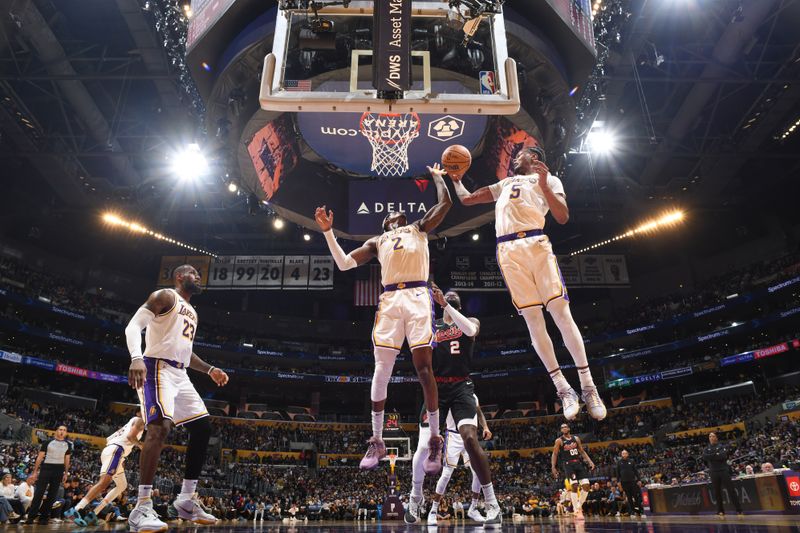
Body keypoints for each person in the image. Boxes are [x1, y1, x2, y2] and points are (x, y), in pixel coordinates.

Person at [448, 146, 606, 421]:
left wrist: (544, 186)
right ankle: (563, 389)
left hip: (536, 242)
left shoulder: (550, 179)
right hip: (508, 250)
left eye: (519, 153)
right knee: (533, 319)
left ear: (535, 157)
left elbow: (562, 216)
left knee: (560, 313)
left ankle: (588, 386)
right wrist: (455, 179)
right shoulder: (505, 183)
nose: (513, 157)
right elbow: (468, 200)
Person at [314, 163, 452, 473]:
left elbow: (445, 204)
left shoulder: (419, 228)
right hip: (390, 299)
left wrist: (439, 178)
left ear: (403, 219)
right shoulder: (377, 241)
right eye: (388, 217)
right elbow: (345, 264)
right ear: (385, 223)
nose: (393, 217)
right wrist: (328, 233)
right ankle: (376, 440)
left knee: (425, 368)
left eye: (397, 216)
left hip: (417, 296)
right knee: (381, 369)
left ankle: (434, 440)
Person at [125, 264, 230, 531]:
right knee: (159, 428)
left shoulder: (193, 311)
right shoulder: (165, 296)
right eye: (194, 274)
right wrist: (136, 358)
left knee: (203, 427)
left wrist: (209, 369)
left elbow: (185, 351)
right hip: (156, 367)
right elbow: (133, 326)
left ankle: (185, 500)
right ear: (180, 277)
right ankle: (142, 507)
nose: (198, 277)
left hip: (180, 374)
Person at [405, 288, 501, 526]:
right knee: (424, 446)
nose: (450, 296)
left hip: (462, 386)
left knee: (470, 438)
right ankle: (415, 497)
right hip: (436, 387)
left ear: (457, 304)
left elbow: (471, 330)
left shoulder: (469, 321)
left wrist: (447, 307)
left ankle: (491, 501)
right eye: (446, 297)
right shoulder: (432, 326)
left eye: (453, 298)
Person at [65, 413, 145, 526]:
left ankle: (94, 513)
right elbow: (130, 437)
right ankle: (76, 510)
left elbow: (110, 438)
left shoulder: (132, 421)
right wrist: (141, 445)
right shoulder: (140, 420)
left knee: (122, 485)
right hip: (116, 451)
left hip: (115, 452)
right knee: (103, 483)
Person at [24, 425, 72, 525]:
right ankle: (31, 517)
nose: (62, 431)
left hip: (59, 469)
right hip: (46, 468)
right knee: (39, 493)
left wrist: (66, 473)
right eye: (60, 429)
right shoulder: (47, 442)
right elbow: (40, 457)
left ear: (66, 432)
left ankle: (44, 518)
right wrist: (35, 472)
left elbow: (67, 459)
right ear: (56, 431)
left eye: (64, 430)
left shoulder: (68, 444)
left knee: (52, 495)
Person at [552, 423, 595, 521]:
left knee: (586, 486)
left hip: (578, 463)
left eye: (565, 427)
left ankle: (579, 504)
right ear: (561, 430)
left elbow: (582, 451)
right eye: (562, 427)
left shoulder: (576, 439)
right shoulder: (559, 441)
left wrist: (590, 461)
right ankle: (577, 510)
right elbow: (554, 454)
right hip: (568, 465)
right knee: (574, 486)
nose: (564, 428)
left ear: (569, 428)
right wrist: (553, 467)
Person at [702, 432, 743, 518]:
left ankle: (739, 510)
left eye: (713, 436)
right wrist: (715, 454)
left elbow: (723, 456)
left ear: (716, 438)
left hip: (723, 471)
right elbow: (705, 457)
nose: (711, 438)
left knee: (731, 490)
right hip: (713, 472)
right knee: (717, 492)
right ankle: (720, 511)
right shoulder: (706, 448)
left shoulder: (721, 447)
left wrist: (711, 456)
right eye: (710, 436)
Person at [615, 449, 643, 516]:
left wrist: (639, 479)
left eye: (625, 453)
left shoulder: (632, 461)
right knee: (629, 498)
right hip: (624, 483)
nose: (624, 454)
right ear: (621, 455)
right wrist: (618, 481)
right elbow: (617, 473)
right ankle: (633, 511)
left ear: (627, 454)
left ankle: (640, 510)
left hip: (632, 481)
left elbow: (635, 471)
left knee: (635, 496)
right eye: (623, 453)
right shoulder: (619, 462)